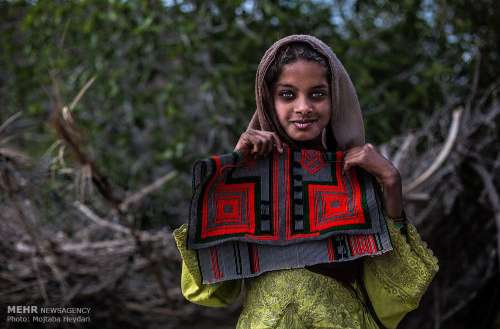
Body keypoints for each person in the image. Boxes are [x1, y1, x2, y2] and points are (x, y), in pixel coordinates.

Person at [174, 35, 438, 328]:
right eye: (287, 94)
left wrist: (391, 183)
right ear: (267, 99)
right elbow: (207, 289)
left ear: (335, 97)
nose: (303, 107)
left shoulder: (353, 177)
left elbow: (399, 293)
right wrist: (233, 171)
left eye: (317, 94)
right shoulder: (249, 175)